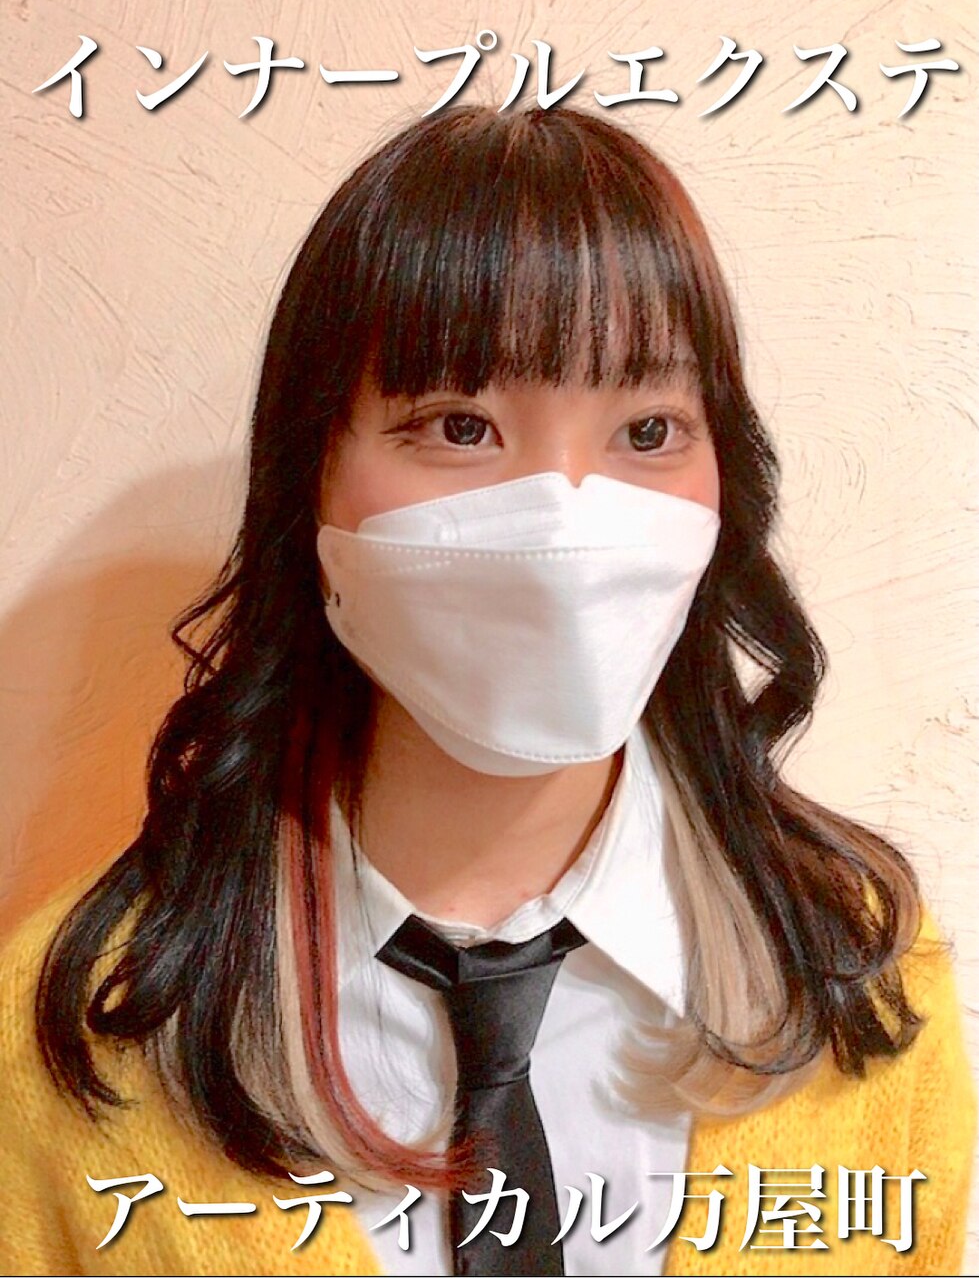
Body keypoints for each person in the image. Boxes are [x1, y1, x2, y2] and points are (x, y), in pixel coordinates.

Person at [0, 104, 973, 1277]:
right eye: (460, 425)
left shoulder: (863, 978)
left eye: (647, 429)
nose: (563, 517)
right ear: (310, 476)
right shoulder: (74, 1029)